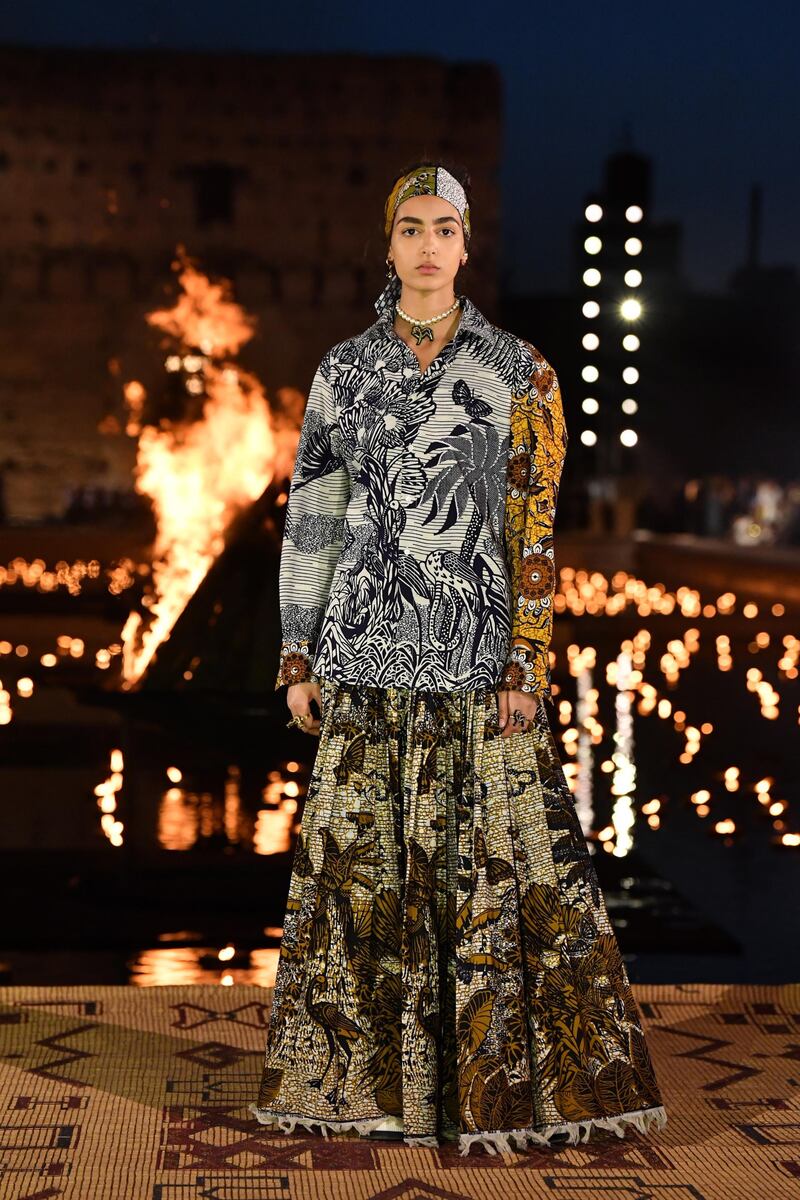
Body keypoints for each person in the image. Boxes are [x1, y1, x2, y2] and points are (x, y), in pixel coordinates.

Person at [250, 161, 666, 1156]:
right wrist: (298, 652)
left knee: (493, 881)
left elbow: (531, 530)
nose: (427, 244)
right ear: (387, 246)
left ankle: (492, 1087)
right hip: (363, 657)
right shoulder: (342, 373)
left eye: (444, 227)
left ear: (466, 245)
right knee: (363, 884)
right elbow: (313, 517)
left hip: (476, 662)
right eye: (409, 228)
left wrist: (526, 662)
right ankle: (372, 1093)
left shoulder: (519, 372)